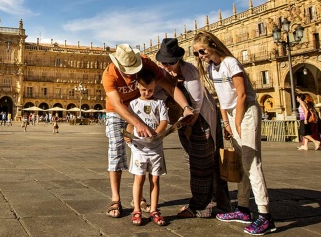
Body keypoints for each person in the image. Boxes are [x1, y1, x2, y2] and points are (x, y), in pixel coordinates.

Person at [193, 31, 276, 235]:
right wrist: (226, 122)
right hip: (231, 114)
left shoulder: (231, 62)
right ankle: (243, 209)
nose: (200, 56)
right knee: (241, 163)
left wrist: (237, 120)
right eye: (196, 54)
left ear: (212, 46)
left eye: (201, 51)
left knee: (252, 163)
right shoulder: (212, 68)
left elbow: (242, 94)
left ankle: (265, 217)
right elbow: (221, 97)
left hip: (246, 110)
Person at [102, 44, 193, 218]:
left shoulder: (146, 63)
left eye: (132, 69)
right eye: (126, 70)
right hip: (116, 111)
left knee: (141, 154)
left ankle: (139, 198)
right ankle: (116, 199)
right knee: (115, 151)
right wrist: (137, 124)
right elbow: (117, 104)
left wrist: (186, 107)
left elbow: (170, 87)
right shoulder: (109, 74)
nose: (129, 74)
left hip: (139, 108)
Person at [155, 38, 231, 218]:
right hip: (185, 121)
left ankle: (201, 206)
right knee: (202, 162)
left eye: (171, 62)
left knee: (202, 164)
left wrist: (187, 128)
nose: (167, 66)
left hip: (201, 119)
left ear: (179, 59)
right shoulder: (165, 72)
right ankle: (221, 203)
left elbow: (195, 106)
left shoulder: (189, 71)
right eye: (163, 62)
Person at [126, 69, 168, 226]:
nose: (147, 92)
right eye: (144, 89)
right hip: (139, 148)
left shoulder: (159, 103)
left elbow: (164, 121)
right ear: (138, 87)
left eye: (150, 89)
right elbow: (130, 122)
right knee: (139, 178)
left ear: (155, 86)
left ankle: (154, 210)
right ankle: (137, 209)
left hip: (155, 147)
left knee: (155, 179)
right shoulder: (134, 104)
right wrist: (128, 135)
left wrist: (156, 133)